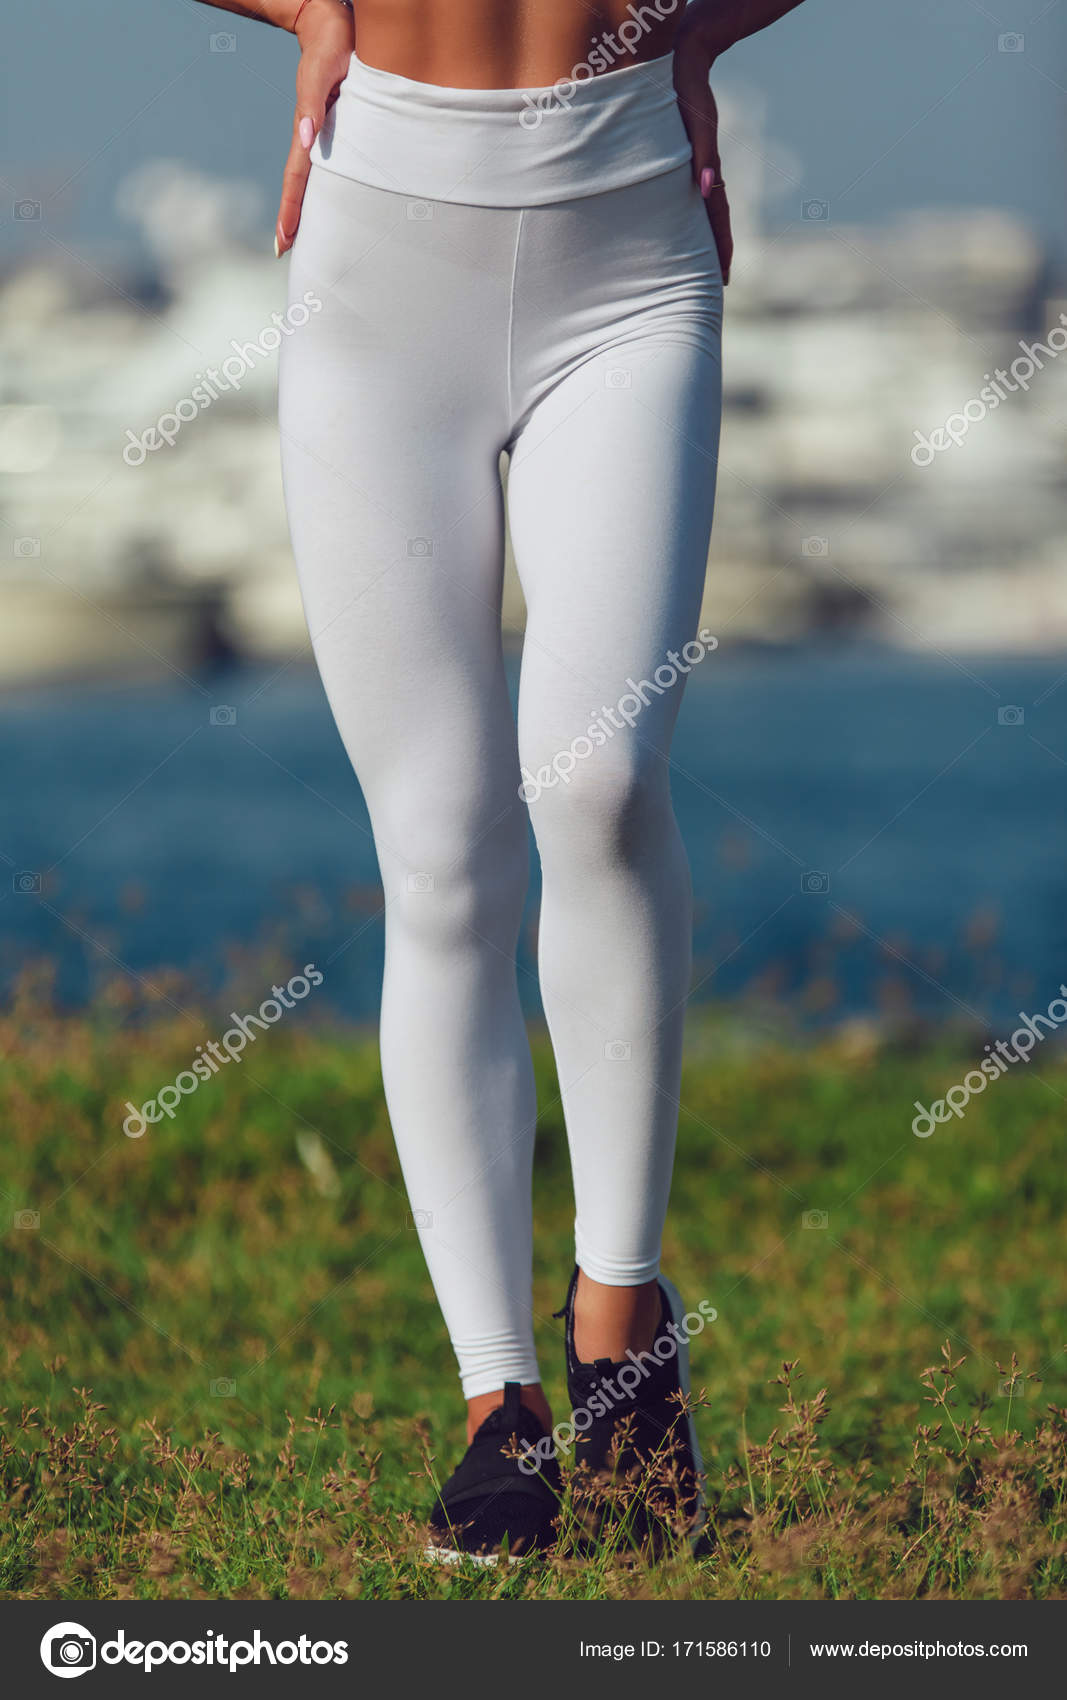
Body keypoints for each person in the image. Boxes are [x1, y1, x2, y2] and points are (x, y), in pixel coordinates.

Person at [195, 0, 805, 1561]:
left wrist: (712, 25)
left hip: (628, 246)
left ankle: (624, 1332)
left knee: (600, 779)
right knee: (443, 846)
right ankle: (499, 1406)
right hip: (383, 243)